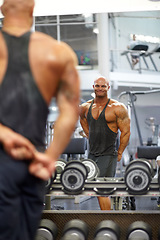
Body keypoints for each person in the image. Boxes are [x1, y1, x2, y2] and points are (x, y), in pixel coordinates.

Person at [0, 0, 80, 239]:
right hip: (35, 166)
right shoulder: (58, 52)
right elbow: (70, 111)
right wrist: (49, 157)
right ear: (33, 11)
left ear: (3, 10)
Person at [79, 76, 130, 210]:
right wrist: (90, 135)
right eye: (97, 86)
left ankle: (108, 220)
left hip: (108, 154)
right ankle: (108, 217)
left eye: (103, 86)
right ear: (93, 87)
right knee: (96, 190)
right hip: (92, 154)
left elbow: (125, 132)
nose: (100, 88)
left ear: (108, 87)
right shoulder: (85, 107)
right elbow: (83, 120)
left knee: (102, 190)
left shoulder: (117, 108)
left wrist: (119, 153)